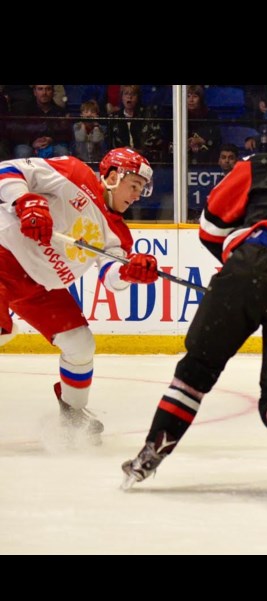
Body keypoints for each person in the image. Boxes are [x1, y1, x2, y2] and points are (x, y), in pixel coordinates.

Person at [120, 118, 267, 491]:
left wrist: (241, 268)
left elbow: (211, 227)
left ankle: (151, 453)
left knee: (196, 371)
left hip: (247, 268)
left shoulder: (259, 164)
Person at [0, 147, 159, 443]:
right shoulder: (73, 172)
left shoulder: (119, 234)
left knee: (80, 344)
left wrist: (129, 273)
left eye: (141, 190)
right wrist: (26, 201)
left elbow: (111, 276)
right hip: (4, 256)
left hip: (41, 288)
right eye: (134, 185)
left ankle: (72, 414)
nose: (137, 195)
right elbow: (7, 171)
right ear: (113, 176)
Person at [9, 85, 71, 159]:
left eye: (48, 89)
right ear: (35, 92)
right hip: (28, 144)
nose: (44, 93)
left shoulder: (60, 112)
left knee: (63, 152)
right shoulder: (23, 110)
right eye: (40, 89)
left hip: (53, 144)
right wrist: (32, 142)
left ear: (53, 92)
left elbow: (65, 135)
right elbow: (17, 133)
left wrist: (51, 140)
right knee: (23, 152)